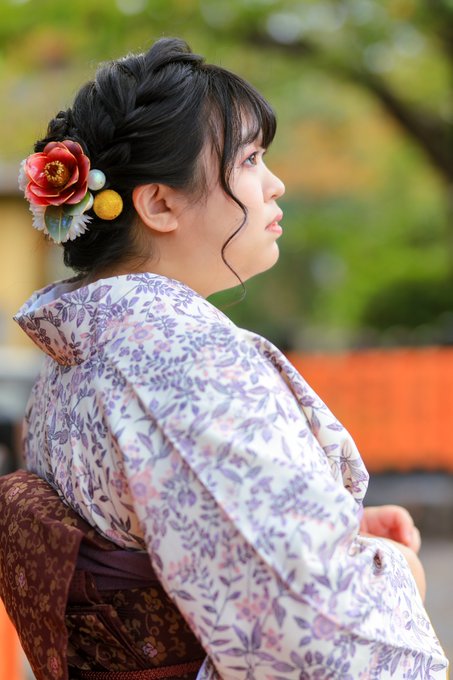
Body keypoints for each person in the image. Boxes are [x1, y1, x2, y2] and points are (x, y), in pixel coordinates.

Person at [8, 37, 448, 678]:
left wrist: (321, 520)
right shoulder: (181, 361)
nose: (276, 184)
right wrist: (397, 572)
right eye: (250, 159)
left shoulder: (74, 360)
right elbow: (313, 635)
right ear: (160, 204)